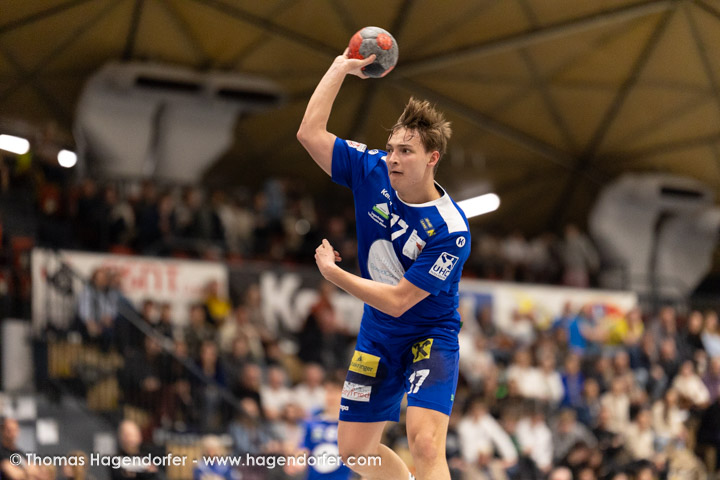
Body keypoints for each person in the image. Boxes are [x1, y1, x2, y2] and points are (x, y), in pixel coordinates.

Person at [297, 49, 471, 480]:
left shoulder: (451, 230)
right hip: (378, 334)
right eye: (391, 148)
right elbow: (309, 133)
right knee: (355, 453)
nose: (392, 157)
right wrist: (340, 67)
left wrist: (334, 274)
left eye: (405, 151)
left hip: (429, 335)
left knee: (425, 443)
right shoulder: (371, 169)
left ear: (432, 158)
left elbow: (398, 301)